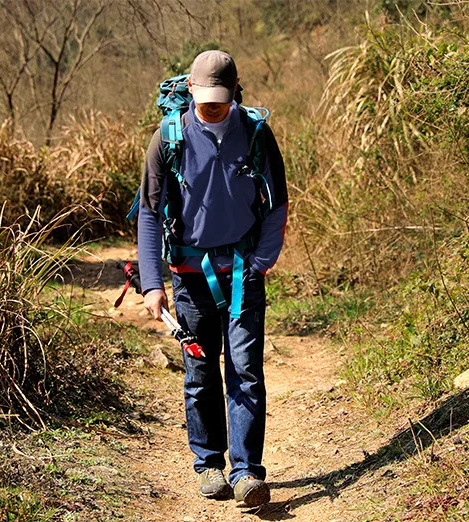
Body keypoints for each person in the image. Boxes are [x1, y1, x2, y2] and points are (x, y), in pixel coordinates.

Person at [137, 50, 287, 508]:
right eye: (205, 101)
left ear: (235, 92)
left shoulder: (256, 134)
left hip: (243, 274)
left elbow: (277, 202)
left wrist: (261, 262)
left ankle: (246, 472)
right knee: (201, 371)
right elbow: (149, 211)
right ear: (192, 94)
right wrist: (151, 283)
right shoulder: (169, 138)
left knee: (245, 371)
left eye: (220, 100)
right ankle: (209, 465)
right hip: (189, 278)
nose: (213, 108)